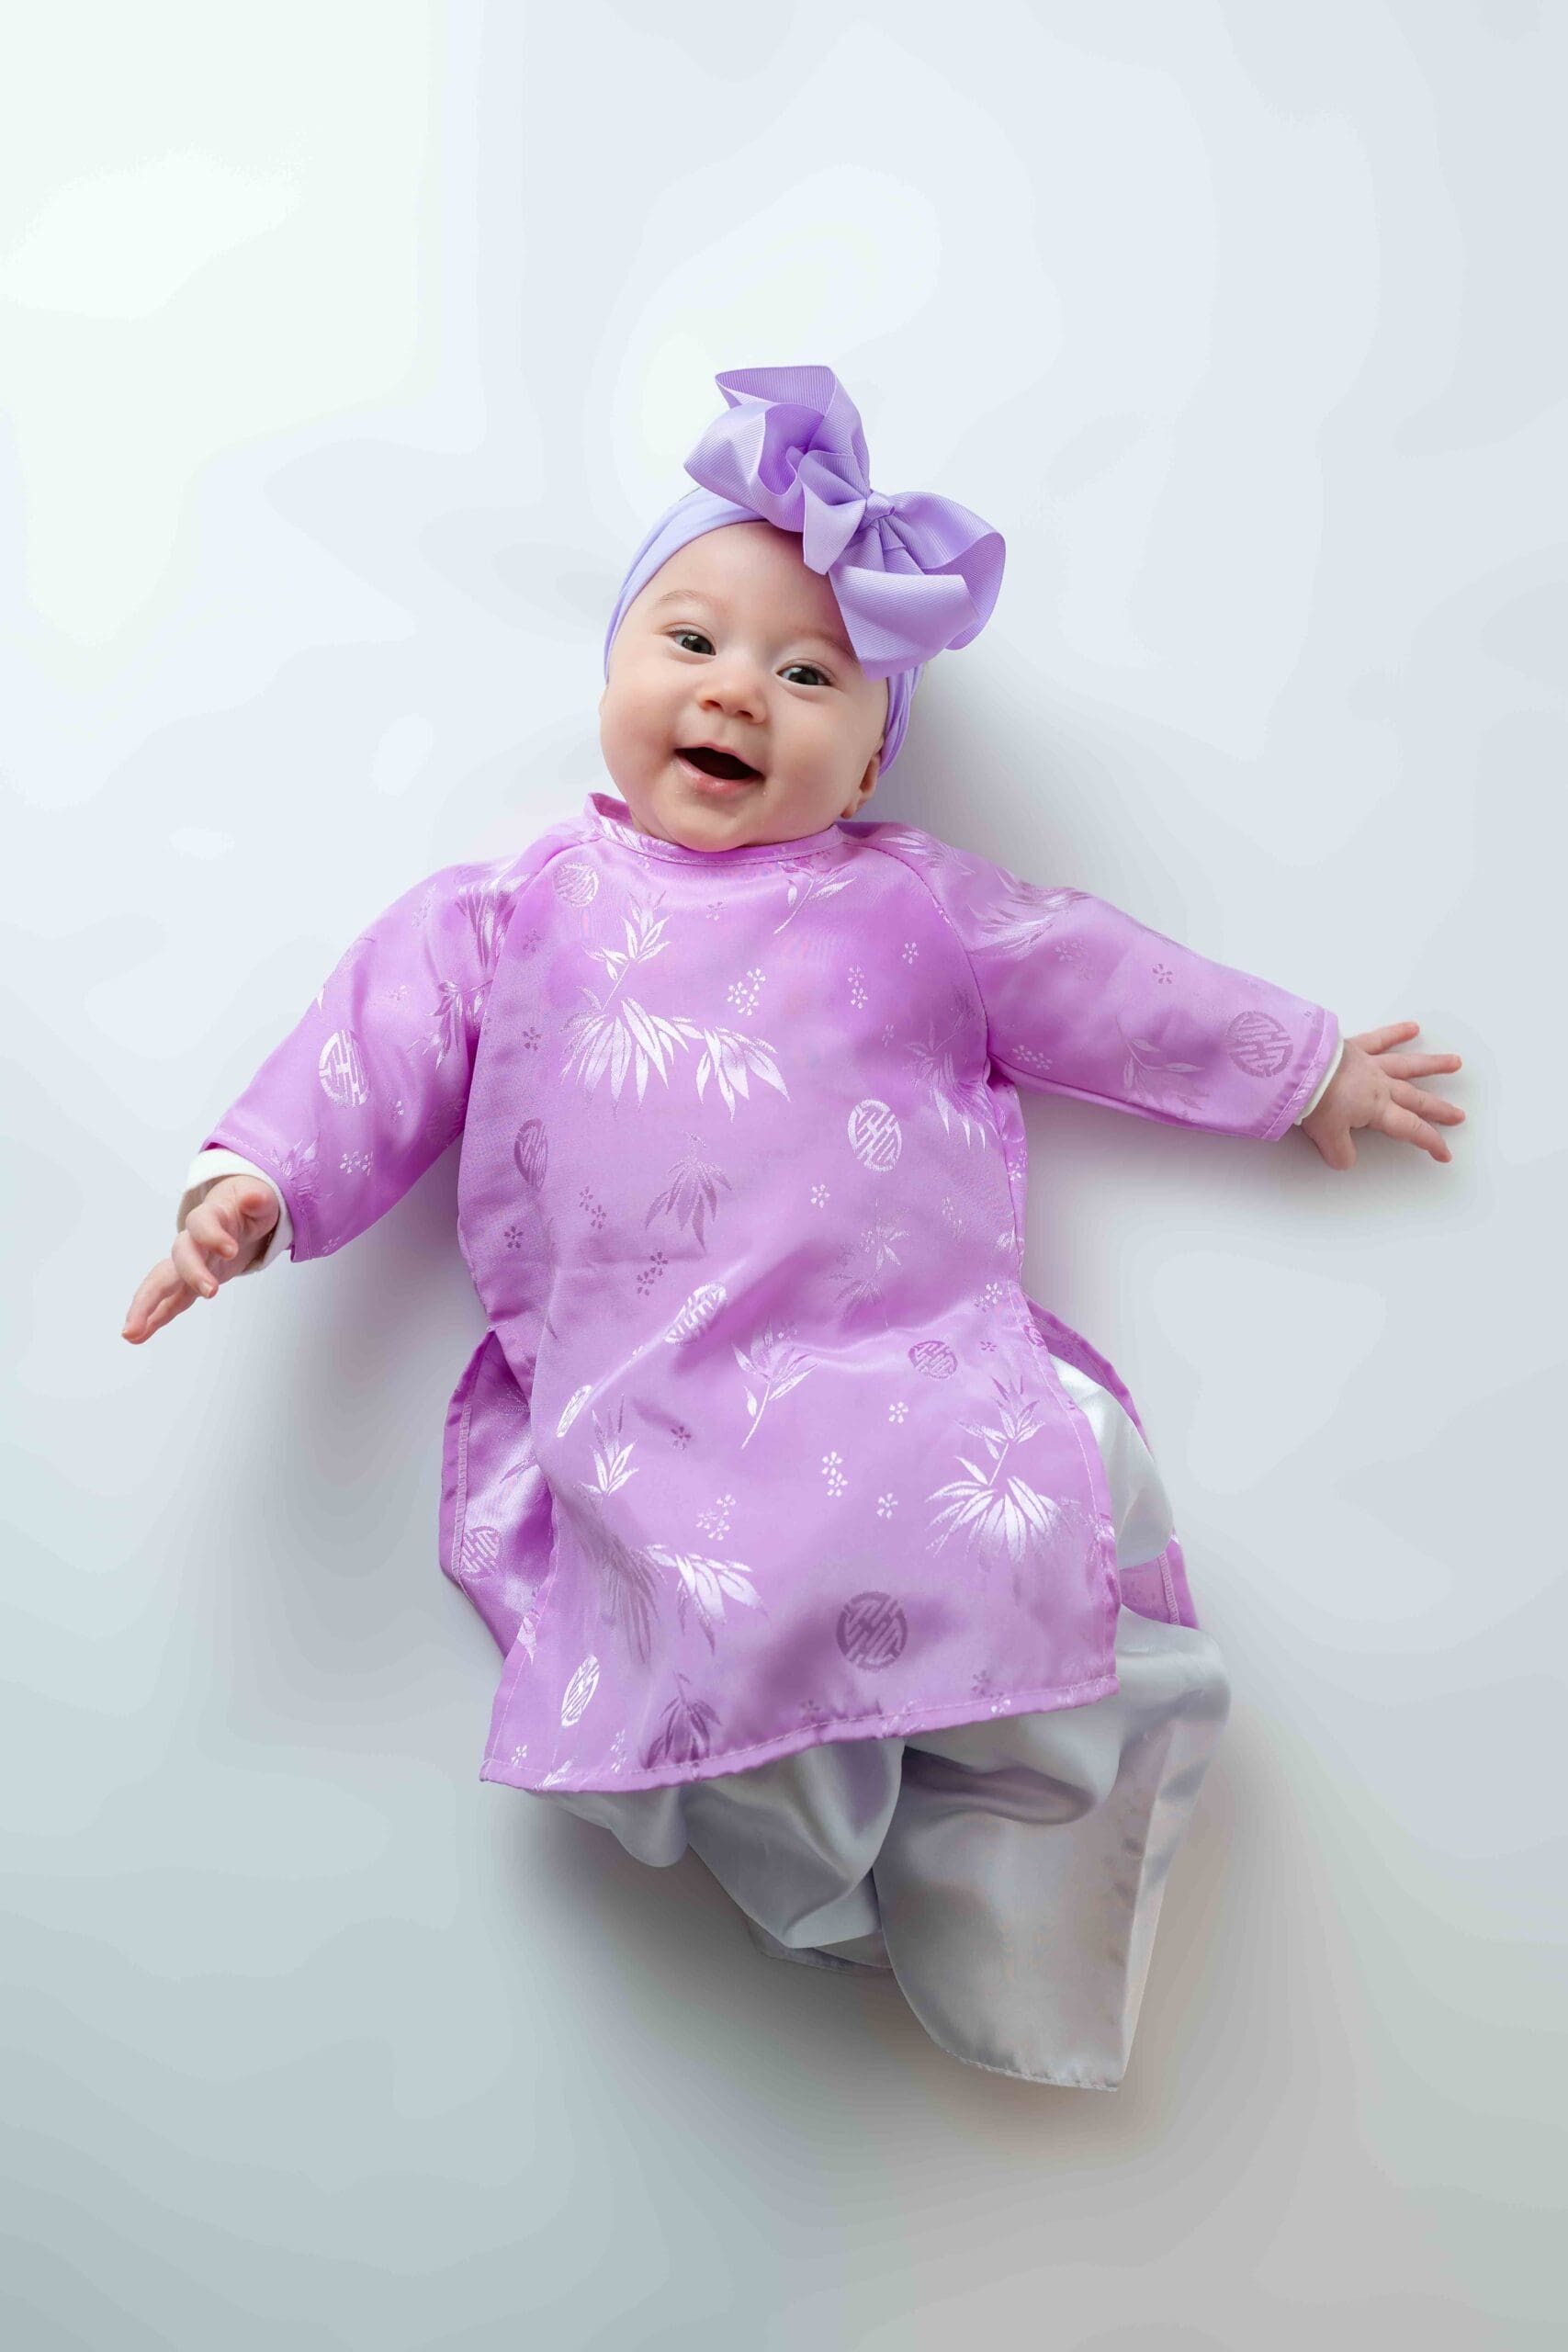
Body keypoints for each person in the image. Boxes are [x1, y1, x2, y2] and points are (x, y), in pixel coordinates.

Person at [121, 365, 1465, 2088]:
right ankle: (835, 1871)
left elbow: (1103, 976)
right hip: (644, 1399)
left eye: (808, 671)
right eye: (689, 642)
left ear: (875, 746)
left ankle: (1028, 1839)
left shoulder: (914, 902)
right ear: (611, 674)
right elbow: (368, 1042)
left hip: (892, 1362)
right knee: (703, 1670)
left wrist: (1300, 1069)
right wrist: (255, 1186)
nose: (738, 691)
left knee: (1067, 1477)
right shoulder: (522, 904)